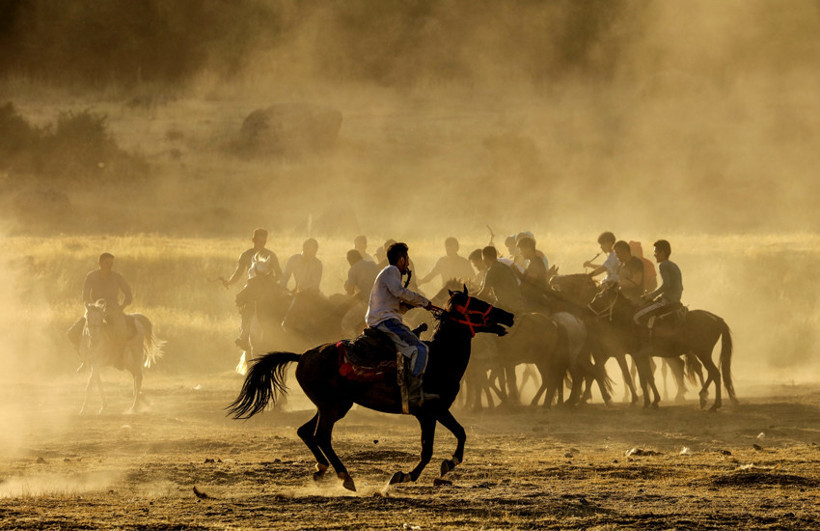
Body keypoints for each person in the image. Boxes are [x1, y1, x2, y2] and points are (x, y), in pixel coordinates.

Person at [365, 242, 437, 409]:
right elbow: (400, 292)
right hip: (385, 320)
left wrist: (412, 305)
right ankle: (414, 394)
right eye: (407, 259)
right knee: (420, 349)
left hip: (385, 318)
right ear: (402, 259)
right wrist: (424, 301)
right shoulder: (391, 271)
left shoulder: (389, 274)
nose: (408, 263)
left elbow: (397, 304)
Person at [67, 253, 133, 364]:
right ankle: (84, 357)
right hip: (95, 309)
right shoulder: (91, 276)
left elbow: (128, 293)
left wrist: (122, 307)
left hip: (112, 309)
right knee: (72, 333)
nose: (109, 265)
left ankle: (119, 357)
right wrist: (89, 307)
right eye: (107, 263)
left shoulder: (117, 277)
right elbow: (85, 295)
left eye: (111, 263)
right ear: (99, 263)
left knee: (121, 330)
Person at [234, 253, 286, 351]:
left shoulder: (253, 282)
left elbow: (238, 298)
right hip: (270, 313)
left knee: (250, 317)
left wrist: (244, 303)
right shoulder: (273, 284)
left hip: (260, 311)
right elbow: (281, 296)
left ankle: (243, 338)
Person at [633, 239, 683, 327]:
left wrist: (651, 295)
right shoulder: (674, 265)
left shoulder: (663, 265)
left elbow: (666, 284)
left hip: (667, 301)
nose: (654, 255)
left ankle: (647, 338)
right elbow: (679, 286)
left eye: (656, 252)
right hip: (676, 299)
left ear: (662, 253)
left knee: (637, 316)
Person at [341, 249, 379, 337]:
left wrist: (346, 285)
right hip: (383, 301)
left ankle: (354, 344)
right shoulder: (372, 264)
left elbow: (350, 291)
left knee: (346, 323)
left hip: (369, 303)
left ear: (350, 261)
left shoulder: (353, 269)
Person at [477, 246, 524, 313]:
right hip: (518, 302)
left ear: (485, 258)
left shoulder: (492, 270)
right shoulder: (505, 266)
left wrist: (471, 299)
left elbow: (485, 292)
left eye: (482, 258)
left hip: (505, 304)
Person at [515, 237, 548, 309]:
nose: (520, 252)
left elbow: (529, 283)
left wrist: (515, 293)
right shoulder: (533, 262)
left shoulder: (535, 263)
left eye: (521, 249)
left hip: (534, 301)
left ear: (528, 249)